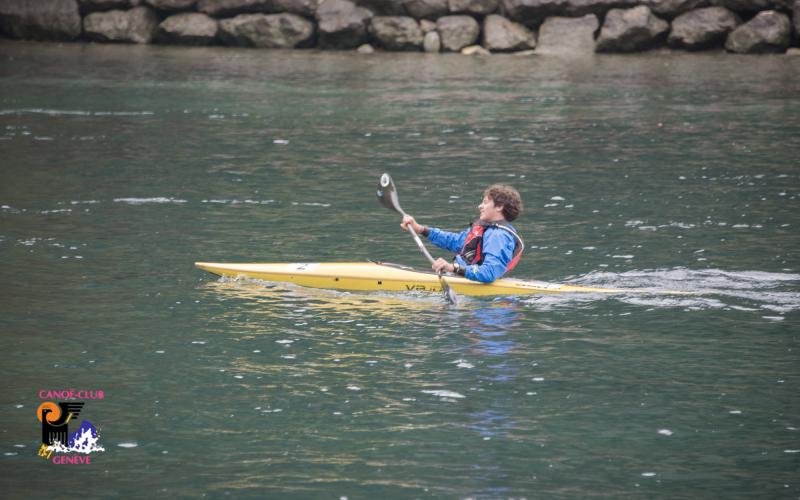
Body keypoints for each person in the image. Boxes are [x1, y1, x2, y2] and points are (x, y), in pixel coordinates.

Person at [401, 184, 524, 283]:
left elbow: (490, 272)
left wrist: (454, 268)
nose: (480, 206)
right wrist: (421, 229)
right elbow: (454, 241)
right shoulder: (485, 229)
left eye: (485, 202)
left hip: (481, 302)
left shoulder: (498, 236)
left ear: (499, 207)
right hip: (460, 277)